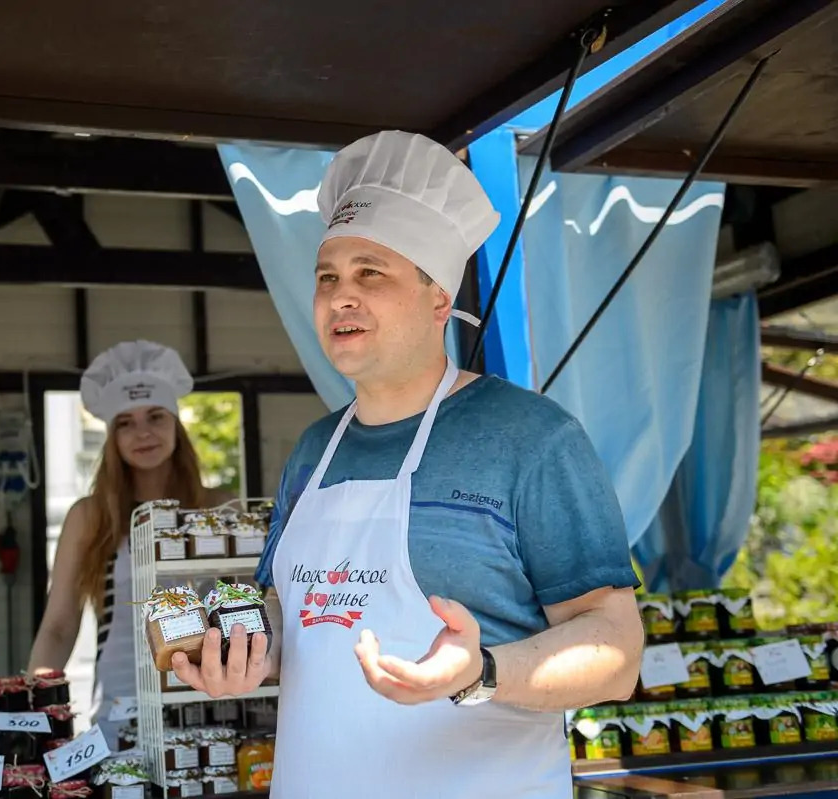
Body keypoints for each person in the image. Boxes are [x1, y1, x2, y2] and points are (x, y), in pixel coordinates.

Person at [170, 131, 645, 798]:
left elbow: (617, 651)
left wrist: (481, 671)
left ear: (438, 299)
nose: (341, 296)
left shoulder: (531, 438)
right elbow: (291, 615)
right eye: (328, 277)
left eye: (371, 273)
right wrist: (244, 654)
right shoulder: (313, 449)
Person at [27, 340, 231, 748]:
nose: (143, 433)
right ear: (112, 437)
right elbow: (59, 626)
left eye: (156, 416)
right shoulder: (90, 516)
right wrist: (31, 708)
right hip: (121, 705)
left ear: (176, 425)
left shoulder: (220, 508)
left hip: (214, 698)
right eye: (125, 422)